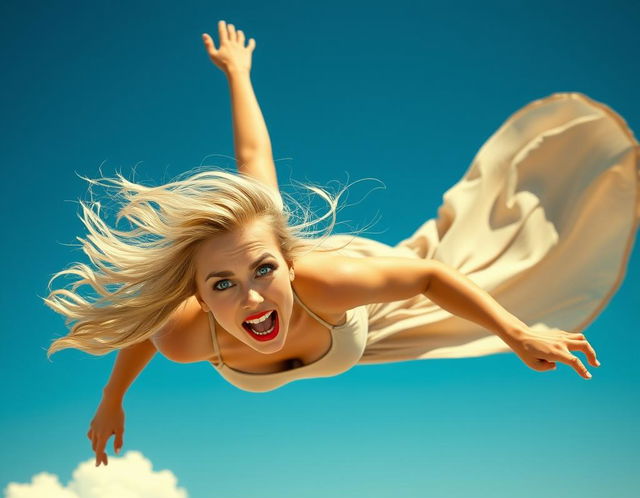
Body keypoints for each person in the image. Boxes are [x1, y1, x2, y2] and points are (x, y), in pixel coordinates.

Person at [44, 20, 639, 468]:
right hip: (349, 333)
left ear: (285, 260)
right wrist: (111, 399)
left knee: (498, 262)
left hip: (368, 305)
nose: (251, 298)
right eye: (221, 285)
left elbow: (427, 277)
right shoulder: (184, 335)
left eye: (262, 271)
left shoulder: (321, 281)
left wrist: (516, 333)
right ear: (197, 294)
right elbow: (144, 334)